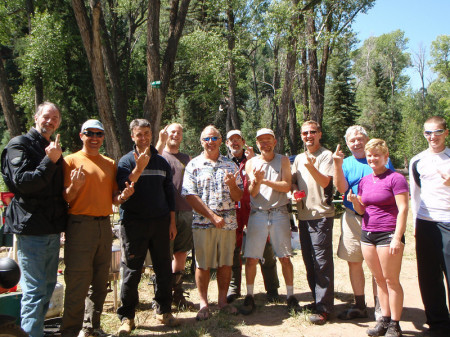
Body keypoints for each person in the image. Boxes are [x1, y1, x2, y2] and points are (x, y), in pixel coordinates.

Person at [61, 119, 134, 337]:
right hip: (79, 225)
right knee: (77, 282)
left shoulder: (109, 163)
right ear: (81, 135)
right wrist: (74, 186)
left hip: (104, 225)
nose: (94, 138)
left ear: (103, 137)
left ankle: (91, 327)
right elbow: (65, 197)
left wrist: (123, 197)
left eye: (99, 134)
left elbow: (113, 197)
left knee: (100, 282)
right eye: (89, 133)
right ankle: (70, 332)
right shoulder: (70, 161)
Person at [1, 102, 67, 337]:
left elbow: (57, 190)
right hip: (31, 230)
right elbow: (23, 184)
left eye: (56, 117)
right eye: (47, 116)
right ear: (36, 117)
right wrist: (49, 161)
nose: (51, 121)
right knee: (34, 292)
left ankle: (34, 332)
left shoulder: (52, 148)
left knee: (48, 289)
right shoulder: (19, 145)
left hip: (51, 229)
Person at [116, 119, 180, 335]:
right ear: (132, 136)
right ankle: (127, 316)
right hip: (134, 224)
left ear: (151, 135)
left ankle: (163, 310)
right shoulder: (125, 161)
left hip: (161, 223)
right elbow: (122, 189)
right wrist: (139, 168)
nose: (143, 138)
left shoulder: (162, 163)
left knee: (163, 268)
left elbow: (170, 195)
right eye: (138, 134)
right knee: (132, 271)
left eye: (146, 133)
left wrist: (172, 223)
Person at [181, 125, 243, 320]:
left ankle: (223, 302)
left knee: (226, 263)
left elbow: (239, 195)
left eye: (214, 138)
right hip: (202, 224)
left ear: (220, 140)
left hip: (228, 224)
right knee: (203, 265)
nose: (210, 142)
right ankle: (204, 304)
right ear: (201, 142)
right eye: (207, 139)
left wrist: (233, 185)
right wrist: (212, 217)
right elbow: (189, 195)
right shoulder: (194, 165)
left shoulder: (231, 165)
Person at [349, 139, 409, 337]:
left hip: (388, 233)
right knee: (379, 279)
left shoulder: (396, 178)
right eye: (370, 155)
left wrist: (397, 238)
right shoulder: (365, 181)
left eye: (377, 155)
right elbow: (361, 210)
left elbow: (403, 209)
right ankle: (383, 320)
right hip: (368, 233)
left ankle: (395, 324)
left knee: (391, 280)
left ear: (386, 157)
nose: (373, 159)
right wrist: (354, 201)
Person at [333, 126, 394, 321]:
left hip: (377, 218)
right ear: (347, 143)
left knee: (378, 266)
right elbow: (341, 188)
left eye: (360, 138)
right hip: (352, 217)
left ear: (367, 139)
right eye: (352, 140)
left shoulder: (380, 159)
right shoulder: (346, 163)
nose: (356, 143)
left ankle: (380, 306)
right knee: (354, 261)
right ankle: (360, 305)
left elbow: (391, 186)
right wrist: (337, 164)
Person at [241, 128, 300, 315]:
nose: (265, 144)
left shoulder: (282, 160)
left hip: (279, 212)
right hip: (258, 213)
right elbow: (253, 192)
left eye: (268, 140)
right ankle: (249, 296)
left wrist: (264, 181)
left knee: (284, 256)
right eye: (261, 141)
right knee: (251, 258)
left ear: (275, 142)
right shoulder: (251, 163)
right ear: (257, 144)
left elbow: (286, 186)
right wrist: (257, 182)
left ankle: (290, 296)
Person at [225, 130, 280, 304]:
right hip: (233, 209)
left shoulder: (254, 160)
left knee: (265, 246)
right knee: (233, 250)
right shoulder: (224, 163)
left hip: (254, 207)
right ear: (227, 143)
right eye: (231, 140)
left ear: (243, 141)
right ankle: (234, 288)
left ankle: (272, 288)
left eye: (238, 140)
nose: (235, 143)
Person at [409, 116, 450, 337]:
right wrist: (416, 224)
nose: (432, 137)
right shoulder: (417, 160)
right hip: (426, 224)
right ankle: (438, 324)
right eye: (428, 133)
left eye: (437, 132)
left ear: (446, 132)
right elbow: (415, 195)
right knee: (429, 276)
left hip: (448, 222)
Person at [291, 120, 334, 325]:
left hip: (321, 215)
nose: (309, 136)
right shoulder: (299, 158)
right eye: (305, 133)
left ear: (320, 134)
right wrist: (293, 192)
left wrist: (311, 166)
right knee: (309, 261)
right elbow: (293, 181)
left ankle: (324, 309)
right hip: (304, 216)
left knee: (322, 263)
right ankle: (317, 301)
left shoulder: (326, 155)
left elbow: (326, 182)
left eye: (312, 132)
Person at [155, 123, 195, 310]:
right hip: (164, 213)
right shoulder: (159, 155)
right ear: (165, 133)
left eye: (179, 132)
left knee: (181, 253)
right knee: (163, 255)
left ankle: (177, 295)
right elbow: (149, 160)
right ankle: (161, 298)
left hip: (186, 211)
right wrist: (160, 142)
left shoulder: (187, 158)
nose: (176, 135)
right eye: (172, 131)